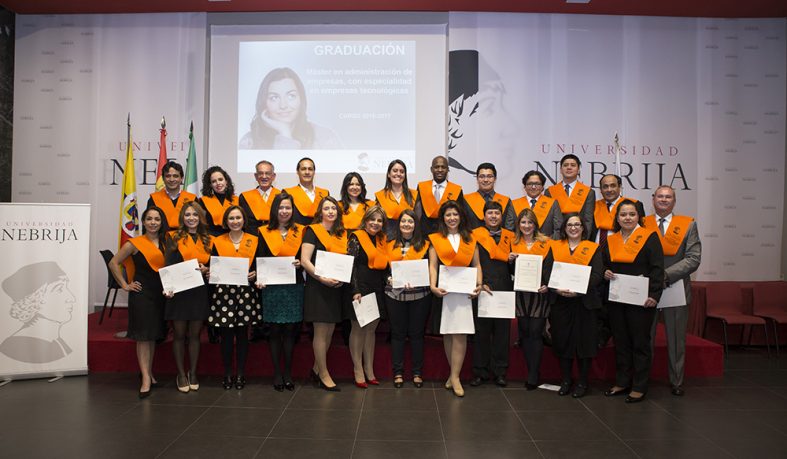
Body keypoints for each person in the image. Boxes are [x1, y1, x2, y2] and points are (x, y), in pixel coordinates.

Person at [602, 200, 665, 403]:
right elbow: (603, 264)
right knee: (621, 342)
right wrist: (605, 272)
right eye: (623, 215)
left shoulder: (649, 237)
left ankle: (639, 385)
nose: (627, 218)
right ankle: (622, 381)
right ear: (617, 218)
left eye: (631, 214)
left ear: (639, 216)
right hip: (617, 299)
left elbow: (657, 268)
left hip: (641, 300)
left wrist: (654, 295)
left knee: (640, 343)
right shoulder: (611, 240)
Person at [643, 186, 701, 397]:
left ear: (674, 201)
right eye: (660, 196)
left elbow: (693, 258)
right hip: (646, 289)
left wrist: (665, 276)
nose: (664, 200)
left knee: (676, 339)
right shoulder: (642, 223)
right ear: (653, 199)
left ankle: (677, 380)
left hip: (675, 287)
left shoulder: (688, 224)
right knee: (644, 338)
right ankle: (642, 380)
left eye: (668, 197)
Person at [108, 206, 168, 398]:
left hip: (161, 294)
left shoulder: (167, 242)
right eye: (149, 219)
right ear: (143, 222)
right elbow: (113, 262)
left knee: (152, 336)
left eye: (157, 219)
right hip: (141, 294)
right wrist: (125, 285)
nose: (153, 222)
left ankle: (149, 372)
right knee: (143, 336)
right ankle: (145, 379)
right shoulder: (134, 243)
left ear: (161, 222)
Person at [428, 200, 483, 397]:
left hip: (464, 292)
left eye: (455, 215)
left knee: (460, 334)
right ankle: (453, 375)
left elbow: (477, 264)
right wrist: (433, 286)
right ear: (443, 218)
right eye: (448, 215)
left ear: (461, 217)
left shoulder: (470, 239)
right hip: (444, 292)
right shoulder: (436, 239)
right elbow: (433, 265)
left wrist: (479, 283)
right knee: (449, 333)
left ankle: (456, 377)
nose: (452, 218)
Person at [548, 213, 603, 398]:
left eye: (577, 224)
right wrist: (556, 289)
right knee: (563, 341)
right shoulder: (555, 247)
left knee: (584, 343)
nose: (573, 228)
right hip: (560, 302)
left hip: (584, 302)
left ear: (583, 228)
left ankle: (583, 381)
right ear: (564, 228)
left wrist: (578, 291)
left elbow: (597, 275)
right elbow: (547, 271)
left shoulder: (592, 248)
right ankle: (566, 379)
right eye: (570, 224)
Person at [209, 206, 262, 391]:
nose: (235, 221)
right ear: (226, 221)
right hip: (224, 293)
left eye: (238, 217)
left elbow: (259, 265)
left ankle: (240, 373)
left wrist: (255, 274)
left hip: (246, 292)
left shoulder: (254, 240)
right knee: (226, 336)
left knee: (241, 335)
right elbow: (213, 266)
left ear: (243, 220)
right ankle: (227, 373)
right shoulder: (218, 241)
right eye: (231, 218)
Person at [256, 192, 305, 392]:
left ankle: (288, 372)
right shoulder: (263, 232)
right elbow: (260, 258)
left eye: (288, 207)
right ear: (274, 210)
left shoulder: (301, 231)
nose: (284, 211)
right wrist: (259, 278)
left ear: (292, 210)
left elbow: (306, 258)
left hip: (293, 286)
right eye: (280, 207)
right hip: (272, 287)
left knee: (291, 331)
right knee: (275, 331)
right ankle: (277, 372)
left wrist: (301, 263)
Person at [163, 202, 212, 393]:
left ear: (200, 217)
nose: (191, 218)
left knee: (195, 335)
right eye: (187, 215)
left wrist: (207, 269)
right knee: (179, 334)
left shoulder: (208, 239)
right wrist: (167, 287)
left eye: (195, 215)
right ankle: (181, 374)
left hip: (199, 291)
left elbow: (213, 267)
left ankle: (193, 373)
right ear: (182, 217)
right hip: (179, 293)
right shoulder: (173, 237)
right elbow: (167, 265)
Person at [591, 174, 645, 349]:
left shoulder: (633, 205)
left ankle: (616, 336)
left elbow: (640, 234)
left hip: (622, 261)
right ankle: (601, 334)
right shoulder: (595, 206)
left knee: (618, 306)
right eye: (605, 187)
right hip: (598, 258)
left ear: (620, 186)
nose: (609, 190)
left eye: (613, 186)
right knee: (599, 299)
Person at [300, 196, 348, 391]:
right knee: (321, 331)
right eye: (326, 208)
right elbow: (305, 261)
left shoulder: (340, 233)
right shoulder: (313, 231)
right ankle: (324, 374)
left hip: (335, 288)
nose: (330, 211)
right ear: (320, 212)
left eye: (333, 208)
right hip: (318, 287)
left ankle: (316, 369)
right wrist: (322, 278)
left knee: (329, 331)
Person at [239, 67, 342, 150]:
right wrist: (284, 132)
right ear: (264, 102)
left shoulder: (324, 137)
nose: (283, 105)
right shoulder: (249, 142)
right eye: (274, 97)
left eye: (291, 96)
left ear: (301, 99)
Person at [385, 209, 431, 388]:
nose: (406, 224)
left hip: (420, 295)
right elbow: (382, 268)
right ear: (399, 224)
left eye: (410, 221)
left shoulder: (425, 245)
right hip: (394, 295)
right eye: (403, 221)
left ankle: (417, 372)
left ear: (415, 224)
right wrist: (388, 278)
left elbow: (431, 269)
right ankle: (398, 372)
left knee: (417, 334)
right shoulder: (389, 243)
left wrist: (421, 278)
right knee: (397, 334)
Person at [470, 200, 514, 387]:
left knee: (502, 334)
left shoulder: (511, 236)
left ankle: (500, 372)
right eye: (490, 213)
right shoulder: (475, 235)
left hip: (505, 289)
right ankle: (480, 372)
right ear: (484, 216)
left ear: (501, 215)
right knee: (481, 334)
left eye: (497, 213)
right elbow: (472, 262)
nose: (493, 216)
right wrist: (480, 283)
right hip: (483, 289)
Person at [509, 208, 553, 390]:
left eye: (530, 222)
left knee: (535, 332)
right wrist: (510, 262)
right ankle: (530, 369)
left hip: (539, 294)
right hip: (521, 294)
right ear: (519, 225)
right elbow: (510, 273)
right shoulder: (512, 243)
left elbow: (552, 268)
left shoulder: (547, 243)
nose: (527, 226)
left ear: (536, 224)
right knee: (525, 332)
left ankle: (534, 373)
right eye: (523, 222)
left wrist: (548, 285)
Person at [0, 262, 76, 364]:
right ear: (33, 299)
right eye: (59, 289)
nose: (72, 298)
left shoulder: (56, 341)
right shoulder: (15, 345)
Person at [346, 206, 388, 388]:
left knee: (371, 330)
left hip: (377, 288)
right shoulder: (356, 237)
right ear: (366, 220)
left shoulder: (382, 239)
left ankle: (369, 369)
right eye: (373, 219)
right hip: (360, 287)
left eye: (379, 221)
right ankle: (357, 370)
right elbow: (351, 265)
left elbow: (385, 265)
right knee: (358, 328)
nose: (375, 223)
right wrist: (355, 289)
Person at [545, 154, 595, 237]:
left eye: (573, 165)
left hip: (579, 237)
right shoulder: (550, 191)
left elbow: (588, 220)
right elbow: (548, 220)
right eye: (565, 165)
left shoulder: (589, 192)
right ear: (561, 170)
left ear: (578, 169)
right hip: (556, 239)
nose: (569, 167)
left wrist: (584, 239)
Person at [415, 155, 464, 234]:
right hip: (425, 235)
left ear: (448, 169)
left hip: (448, 234)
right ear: (431, 169)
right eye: (436, 167)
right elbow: (417, 214)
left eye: (443, 167)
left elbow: (460, 215)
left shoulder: (457, 190)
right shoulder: (421, 187)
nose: (440, 170)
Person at [463, 162, 516, 231]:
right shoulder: (465, 200)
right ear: (477, 179)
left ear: (495, 179)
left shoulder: (506, 201)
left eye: (489, 176)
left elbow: (509, 229)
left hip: (500, 241)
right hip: (473, 240)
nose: (485, 180)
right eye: (482, 176)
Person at [512, 170, 563, 239]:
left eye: (537, 184)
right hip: (520, 247)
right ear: (524, 187)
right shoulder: (514, 204)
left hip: (546, 246)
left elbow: (558, 230)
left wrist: (548, 245)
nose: (533, 187)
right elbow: (509, 230)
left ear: (542, 187)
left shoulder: (553, 204)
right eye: (530, 184)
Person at [147, 161, 196, 230]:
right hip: (161, 239)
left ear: (181, 178)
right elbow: (149, 225)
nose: (172, 179)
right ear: (163, 179)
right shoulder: (154, 199)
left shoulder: (192, 199)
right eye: (168, 176)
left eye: (175, 176)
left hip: (186, 238)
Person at [375, 159, 418, 239]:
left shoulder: (414, 195)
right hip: (387, 240)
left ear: (405, 175)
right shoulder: (380, 196)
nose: (398, 174)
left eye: (402, 171)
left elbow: (418, 222)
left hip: (410, 240)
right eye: (395, 171)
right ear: (388, 174)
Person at [239, 160, 281, 235]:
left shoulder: (281, 196)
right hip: (252, 239)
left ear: (273, 176)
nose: (264, 177)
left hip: (275, 239)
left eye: (267, 173)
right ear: (255, 176)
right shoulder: (244, 197)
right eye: (260, 173)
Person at [284, 157, 330, 226]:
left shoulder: (324, 193)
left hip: (321, 234)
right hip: (297, 234)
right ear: (297, 172)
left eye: (310, 169)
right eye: (303, 169)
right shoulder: (288, 193)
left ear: (314, 172)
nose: (307, 172)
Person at [198, 166, 239, 236]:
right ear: (210, 185)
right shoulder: (203, 201)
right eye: (214, 181)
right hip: (212, 240)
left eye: (220, 179)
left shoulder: (237, 200)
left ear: (226, 181)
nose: (218, 183)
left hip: (233, 239)